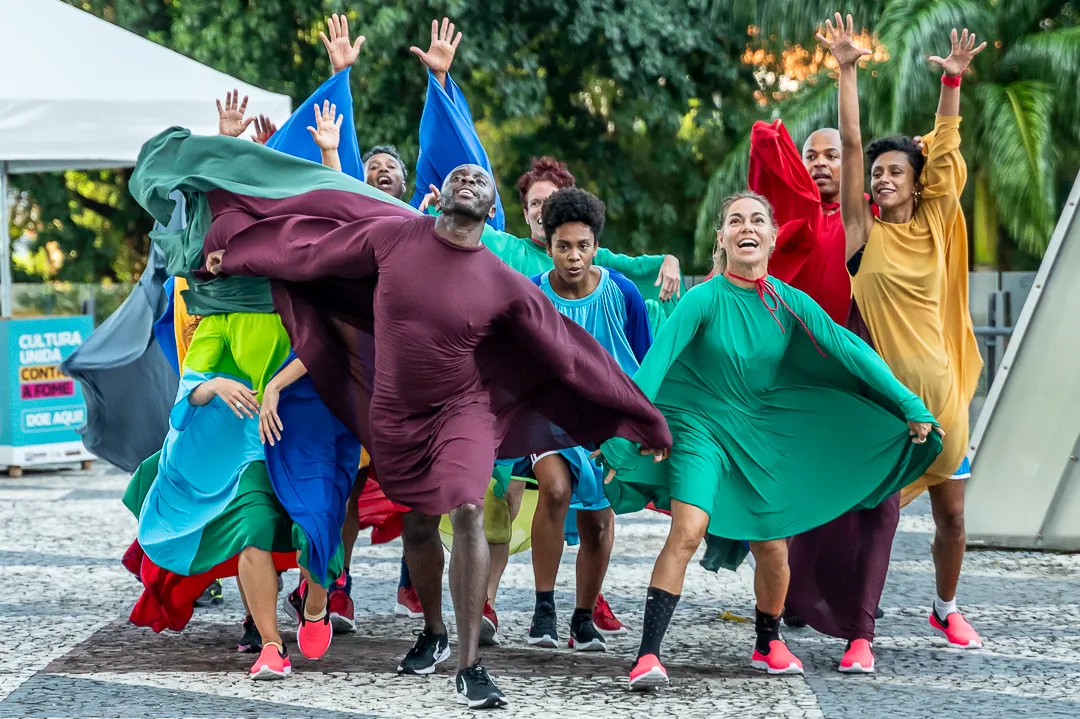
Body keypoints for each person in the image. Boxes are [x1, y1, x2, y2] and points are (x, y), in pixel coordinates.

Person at [131, 118, 674, 706]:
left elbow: (573, 352)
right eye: (461, 174)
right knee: (419, 524)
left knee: (467, 510)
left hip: (465, 411)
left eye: (481, 179)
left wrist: (642, 416)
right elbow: (307, 248)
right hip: (396, 416)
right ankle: (434, 630)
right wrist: (230, 249)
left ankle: (469, 667)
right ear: (439, 195)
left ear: (491, 209)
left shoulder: (502, 280)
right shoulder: (393, 237)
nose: (470, 177)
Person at [598, 190, 944, 690]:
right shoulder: (703, 299)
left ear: (772, 236)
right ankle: (648, 655)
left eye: (757, 220)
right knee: (689, 529)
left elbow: (848, 348)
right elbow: (652, 371)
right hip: (700, 427)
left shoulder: (789, 301)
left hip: (758, 432)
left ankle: (768, 642)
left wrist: (909, 403)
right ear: (722, 237)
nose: (747, 228)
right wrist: (627, 437)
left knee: (774, 550)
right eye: (735, 220)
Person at [822, 13, 986, 650]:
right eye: (877, 173)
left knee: (953, 516)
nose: (882, 178)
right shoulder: (863, 237)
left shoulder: (936, 225)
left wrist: (951, 87)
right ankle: (857, 630)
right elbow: (854, 140)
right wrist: (845, 69)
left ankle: (945, 607)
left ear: (918, 185)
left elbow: (944, 153)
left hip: (948, 399)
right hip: (892, 408)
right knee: (876, 514)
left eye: (897, 172)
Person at [523, 188, 653, 653]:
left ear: (596, 245)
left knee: (599, 521)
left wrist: (643, 424)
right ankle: (543, 610)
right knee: (555, 491)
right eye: (564, 246)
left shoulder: (623, 292)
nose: (573, 256)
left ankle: (583, 617)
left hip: (608, 424)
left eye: (582, 246)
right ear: (549, 244)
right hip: (550, 419)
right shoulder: (534, 295)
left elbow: (645, 361)